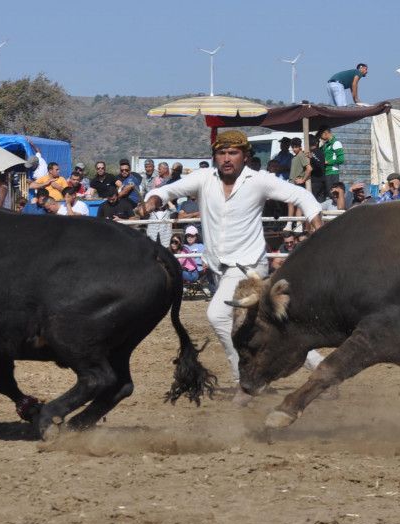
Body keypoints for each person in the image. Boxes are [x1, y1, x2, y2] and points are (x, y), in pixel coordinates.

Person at [136, 129, 323, 393]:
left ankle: (243, 379)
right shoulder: (203, 179)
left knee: (216, 315)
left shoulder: (259, 181)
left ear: (245, 156)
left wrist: (316, 224)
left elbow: (301, 195)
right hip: (218, 268)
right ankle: (322, 368)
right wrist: (151, 202)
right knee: (265, 323)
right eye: (221, 153)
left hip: (247, 266)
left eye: (233, 153)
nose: (226, 158)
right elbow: (167, 191)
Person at [316, 126, 344, 199]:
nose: (320, 138)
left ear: (325, 133)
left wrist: (328, 162)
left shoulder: (336, 143)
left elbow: (341, 160)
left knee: (333, 195)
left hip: (333, 173)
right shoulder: (325, 145)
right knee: (327, 194)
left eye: (321, 135)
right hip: (325, 173)